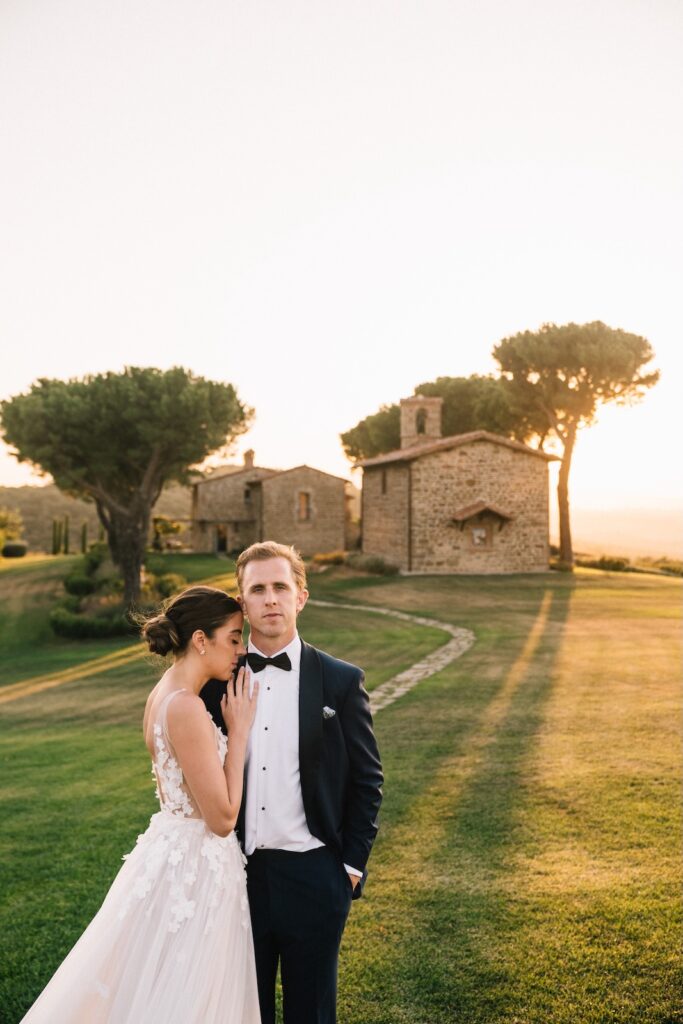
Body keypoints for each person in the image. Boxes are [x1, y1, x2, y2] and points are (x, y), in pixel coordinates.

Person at [20, 585, 262, 1024]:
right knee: (188, 995)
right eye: (233, 637)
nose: (240, 650)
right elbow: (223, 818)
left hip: (170, 849)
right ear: (201, 640)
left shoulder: (160, 696)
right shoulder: (186, 706)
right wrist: (239, 731)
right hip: (197, 867)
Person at [201, 542, 383, 1024]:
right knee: (241, 1011)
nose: (270, 599)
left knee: (313, 1014)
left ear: (301, 596)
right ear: (242, 602)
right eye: (257, 589)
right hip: (238, 878)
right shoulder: (216, 683)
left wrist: (349, 868)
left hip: (316, 877)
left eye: (281, 587)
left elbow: (368, 781)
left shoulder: (341, 681)